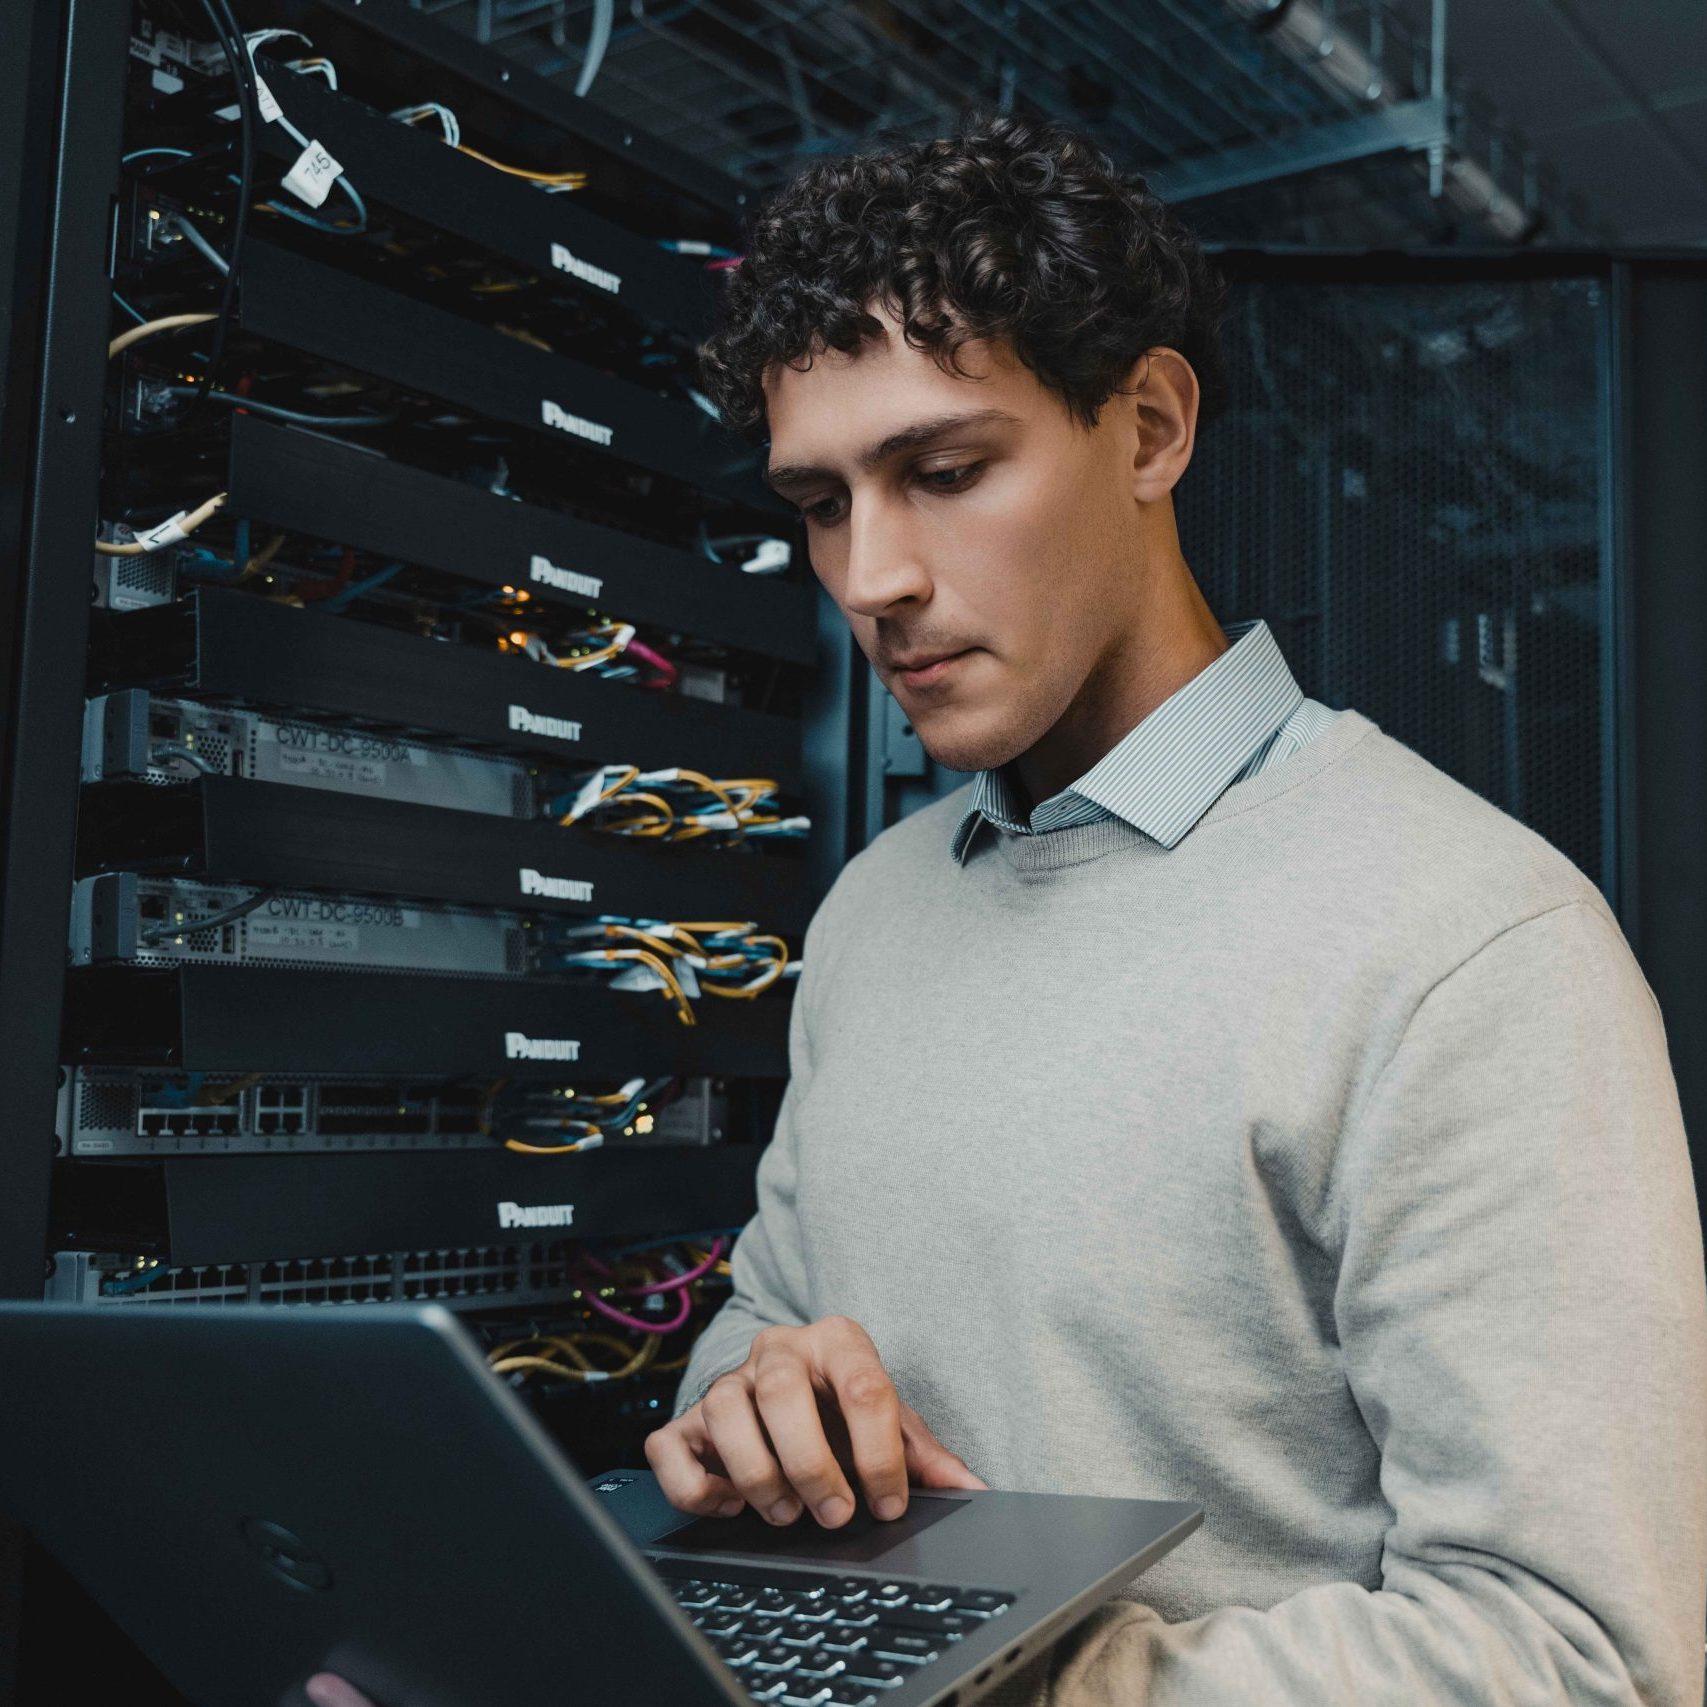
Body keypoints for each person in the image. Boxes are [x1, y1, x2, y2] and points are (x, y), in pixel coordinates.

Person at [310, 112, 1707, 1707]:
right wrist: (753, 1404)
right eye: (823, 502)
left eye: (947, 471)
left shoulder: (1468, 945)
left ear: (1152, 428)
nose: (872, 577)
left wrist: (999, 1676)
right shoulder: (876, 912)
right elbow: (771, 1312)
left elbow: (1580, 1658)